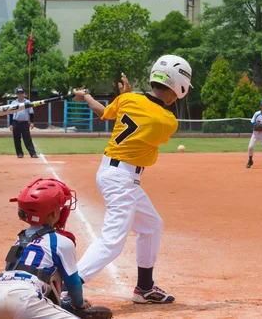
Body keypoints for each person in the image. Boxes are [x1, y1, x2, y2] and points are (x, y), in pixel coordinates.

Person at [72, 54, 192, 304]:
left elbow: (105, 113)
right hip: (121, 178)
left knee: (151, 225)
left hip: (113, 173)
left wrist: (86, 96)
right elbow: (152, 110)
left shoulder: (127, 99)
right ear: (179, 86)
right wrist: (130, 96)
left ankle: (144, 288)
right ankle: (67, 287)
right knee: (112, 242)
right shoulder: (167, 121)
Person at [0, 178, 107, 319]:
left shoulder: (20, 239)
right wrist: (78, 303)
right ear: (53, 214)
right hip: (25, 299)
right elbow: (73, 282)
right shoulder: (61, 241)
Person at [9, 88, 38, 159]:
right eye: (18, 93)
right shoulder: (13, 103)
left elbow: (31, 113)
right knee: (16, 139)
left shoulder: (27, 102)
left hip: (24, 123)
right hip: (16, 122)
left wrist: (32, 122)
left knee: (27, 138)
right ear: (16, 94)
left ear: (23, 94)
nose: (20, 94)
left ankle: (33, 153)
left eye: (21, 93)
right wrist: (11, 124)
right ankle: (19, 153)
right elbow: (11, 114)